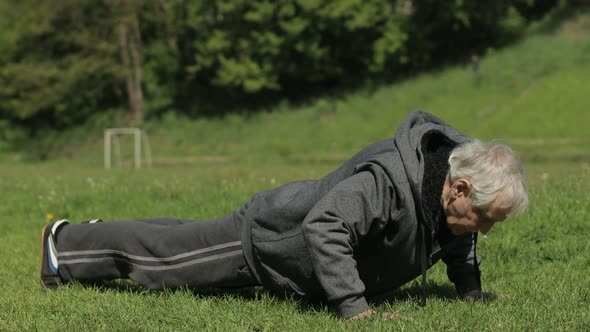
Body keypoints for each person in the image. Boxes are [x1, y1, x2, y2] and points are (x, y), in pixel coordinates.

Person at [40, 110, 529, 319]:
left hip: (285, 261)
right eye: (486, 216)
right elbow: (325, 224)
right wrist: (354, 309)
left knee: (177, 240)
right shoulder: (390, 182)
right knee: (163, 264)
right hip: (268, 241)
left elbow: (456, 239)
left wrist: (470, 292)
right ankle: (62, 247)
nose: (484, 229)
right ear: (459, 187)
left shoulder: (448, 197)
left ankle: (94, 237)